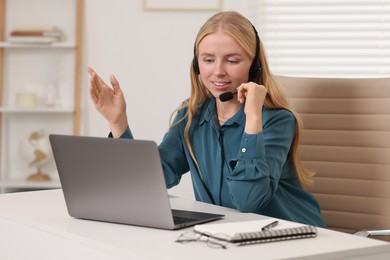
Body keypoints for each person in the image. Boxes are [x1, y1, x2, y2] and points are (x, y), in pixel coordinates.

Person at [88, 11, 325, 227]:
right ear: (196, 64)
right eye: (208, 59)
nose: (218, 71)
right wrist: (118, 122)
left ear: (255, 67)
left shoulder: (276, 121)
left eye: (232, 60)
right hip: (225, 237)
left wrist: (253, 118)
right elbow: (147, 182)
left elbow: (248, 200)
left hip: (292, 236)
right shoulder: (191, 117)